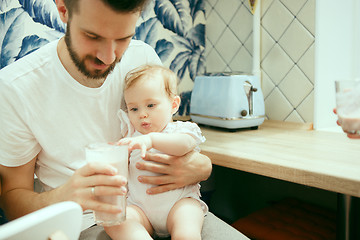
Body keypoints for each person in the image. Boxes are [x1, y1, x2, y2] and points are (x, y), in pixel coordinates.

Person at [0, 0, 248, 239]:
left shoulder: (141, 58)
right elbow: (11, 199)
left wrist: (202, 167)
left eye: (122, 39)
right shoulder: (16, 88)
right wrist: (65, 195)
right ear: (63, 10)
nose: (108, 57)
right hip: (89, 222)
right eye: (92, 36)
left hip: (174, 206)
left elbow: (173, 135)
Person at [106, 64, 207, 240]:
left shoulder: (182, 130)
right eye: (134, 109)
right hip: (140, 208)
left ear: (174, 104)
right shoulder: (133, 136)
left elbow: (183, 145)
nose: (142, 114)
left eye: (150, 105)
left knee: (187, 231)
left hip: (179, 204)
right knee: (116, 221)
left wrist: (152, 140)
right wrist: (116, 151)